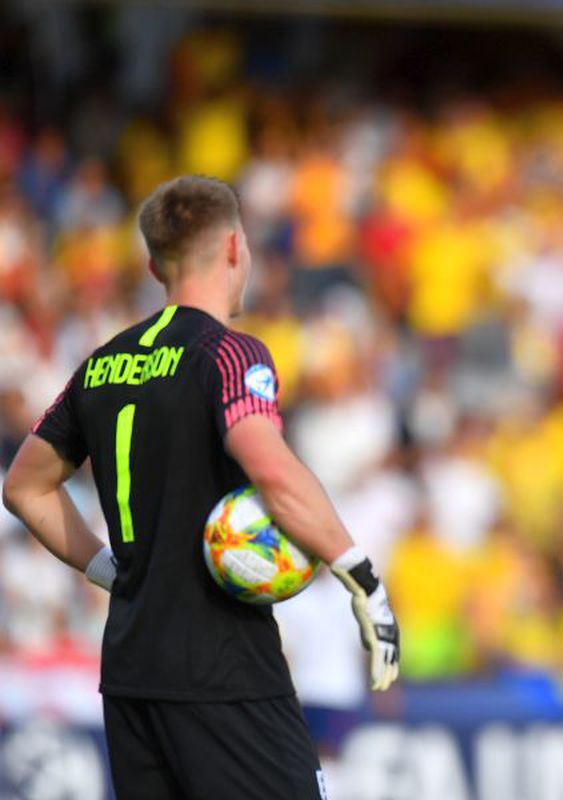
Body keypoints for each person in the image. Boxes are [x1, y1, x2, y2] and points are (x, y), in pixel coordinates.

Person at [1, 175, 400, 799]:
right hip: (224, 670)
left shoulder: (101, 364)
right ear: (237, 247)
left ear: (153, 263)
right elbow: (268, 465)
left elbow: (25, 487)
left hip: (131, 671)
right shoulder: (231, 354)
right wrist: (361, 577)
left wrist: (111, 570)